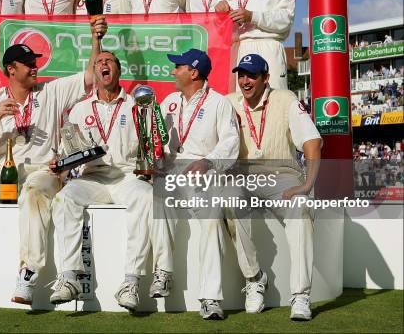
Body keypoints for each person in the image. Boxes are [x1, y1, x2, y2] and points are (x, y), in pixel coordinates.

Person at [0, 17, 105, 311]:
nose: (35, 67)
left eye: (35, 62)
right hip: (3, 173)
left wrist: (96, 40)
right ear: (11, 69)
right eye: (28, 63)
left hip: (44, 172)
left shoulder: (50, 91)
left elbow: (91, 78)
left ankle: (28, 274)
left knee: (33, 190)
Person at [48, 50, 173, 311]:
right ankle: (69, 276)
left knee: (146, 196)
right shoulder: (80, 109)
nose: (104, 65)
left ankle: (131, 282)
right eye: (98, 62)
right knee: (64, 197)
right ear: (94, 73)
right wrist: (60, 164)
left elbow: (155, 146)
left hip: (127, 177)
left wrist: (152, 160)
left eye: (109, 61)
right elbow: (70, 153)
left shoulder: (138, 105)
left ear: (119, 70)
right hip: (92, 178)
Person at [227, 53, 322, 321]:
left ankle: (301, 295)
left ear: (266, 78)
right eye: (241, 74)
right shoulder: (228, 102)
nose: (245, 81)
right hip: (243, 176)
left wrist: (307, 184)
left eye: (251, 75)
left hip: (282, 175)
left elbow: (313, 142)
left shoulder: (285, 99)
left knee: (302, 206)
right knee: (229, 199)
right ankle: (255, 278)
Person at [160, 49, 240, 320]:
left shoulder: (219, 103)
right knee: (157, 199)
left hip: (202, 176)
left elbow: (231, 143)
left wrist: (207, 162)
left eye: (177, 67)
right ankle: (163, 272)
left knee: (211, 218)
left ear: (193, 72)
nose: (173, 71)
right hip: (170, 173)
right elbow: (158, 141)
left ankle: (211, 297)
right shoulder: (169, 102)